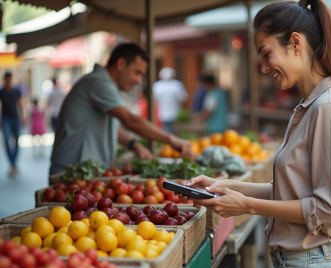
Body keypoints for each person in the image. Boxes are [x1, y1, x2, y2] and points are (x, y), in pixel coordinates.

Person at [179, 1, 331, 268]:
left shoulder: (327, 107)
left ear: (295, 43)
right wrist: (226, 186)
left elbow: (330, 209)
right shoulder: (310, 106)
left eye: (267, 54)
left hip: (317, 266)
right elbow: (294, 192)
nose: (264, 67)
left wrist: (247, 206)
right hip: (307, 266)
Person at [50, 43, 194, 174]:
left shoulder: (104, 83)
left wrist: (134, 144)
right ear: (120, 64)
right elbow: (130, 120)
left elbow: (112, 125)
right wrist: (171, 139)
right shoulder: (99, 83)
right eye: (137, 72)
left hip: (81, 174)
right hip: (69, 174)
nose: (139, 81)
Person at [0, 72, 25, 176]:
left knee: (17, 142)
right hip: (5, 119)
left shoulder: (16, 91)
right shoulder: (1, 91)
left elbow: (20, 104)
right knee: (6, 141)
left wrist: (23, 117)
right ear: (5, 79)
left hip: (15, 118)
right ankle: (12, 164)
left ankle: (14, 163)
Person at [153, 67, 187, 133]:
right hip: (175, 114)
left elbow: (154, 100)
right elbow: (183, 99)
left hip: (160, 114)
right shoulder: (177, 85)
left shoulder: (156, 86)